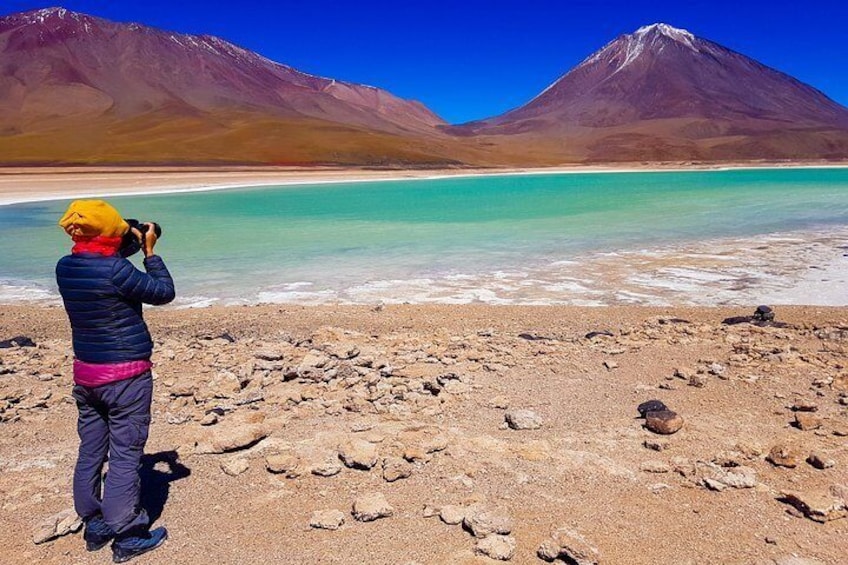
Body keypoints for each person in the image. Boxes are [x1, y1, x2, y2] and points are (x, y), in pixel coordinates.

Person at [55, 199, 175, 563]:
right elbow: (162, 293)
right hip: (125, 375)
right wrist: (150, 252)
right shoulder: (116, 271)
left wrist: (124, 243)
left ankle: (94, 522)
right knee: (126, 454)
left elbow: (104, 269)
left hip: (86, 373)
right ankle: (127, 533)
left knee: (91, 447)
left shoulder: (66, 266)